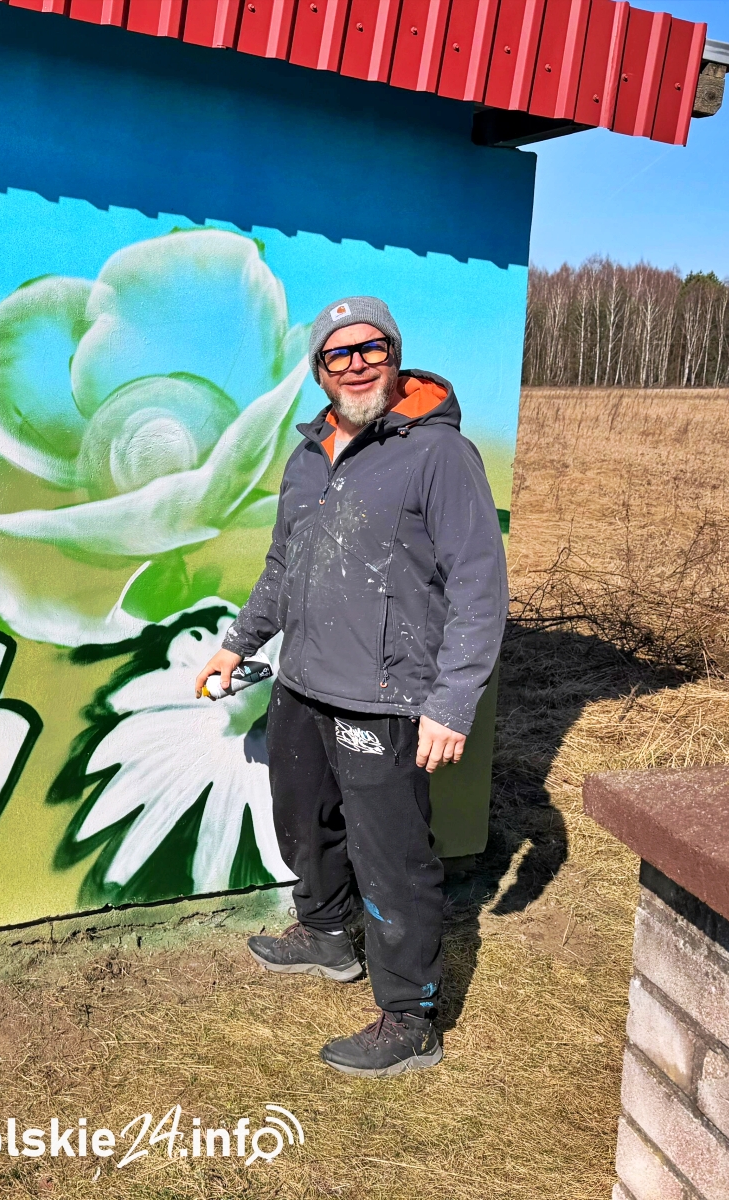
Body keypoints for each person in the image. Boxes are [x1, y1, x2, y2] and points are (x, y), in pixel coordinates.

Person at [195, 295, 508, 1078]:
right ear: (321, 371)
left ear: (393, 356)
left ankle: (410, 1018)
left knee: (394, 858)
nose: (358, 363)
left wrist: (451, 700)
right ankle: (327, 934)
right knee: (304, 820)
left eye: (372, 348)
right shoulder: (307, 457)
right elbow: (283, 567)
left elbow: (480, 586)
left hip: (389, 695)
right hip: (303, 683)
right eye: (340, 354)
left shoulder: (440, 456)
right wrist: (238, 645)